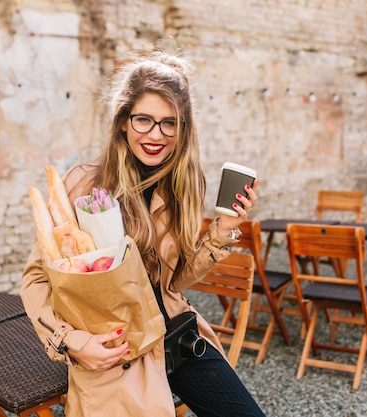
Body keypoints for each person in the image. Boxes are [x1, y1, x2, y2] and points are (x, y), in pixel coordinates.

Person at [21, 40, 265, 417]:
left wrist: (222, 230)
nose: (156, 135)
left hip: (178, 340)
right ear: (123, 121)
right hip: (116, 347)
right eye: (144, 119)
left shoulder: (183, 186)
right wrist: (72, 342)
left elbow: (176, 280)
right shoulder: (84, 184)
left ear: (183, 128)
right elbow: (38, 278)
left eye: (169, 123)